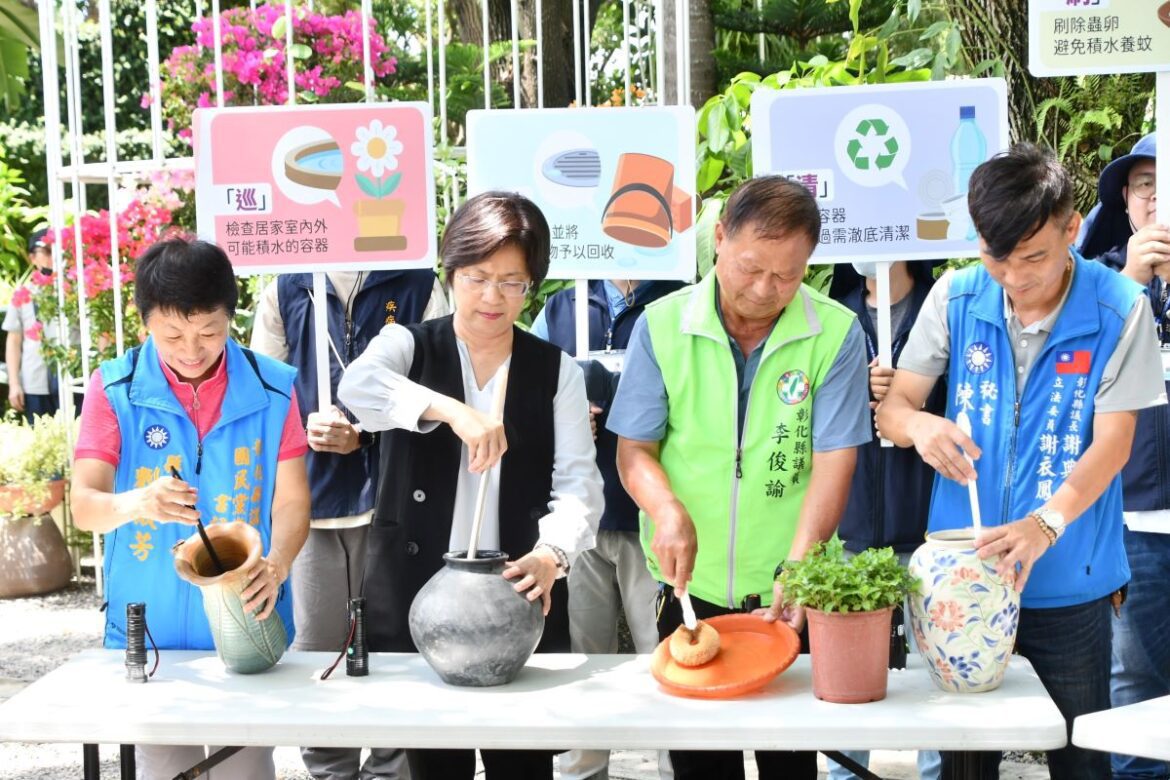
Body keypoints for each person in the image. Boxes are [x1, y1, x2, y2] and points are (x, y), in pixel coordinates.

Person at [876, 144, 1166, 780]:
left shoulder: (1119, 307)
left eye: (1033, 257)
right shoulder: (956, 295)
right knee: (959, 766)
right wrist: (921, 426)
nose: (1012, 276)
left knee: (1078, 761)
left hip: (1068, 581)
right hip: (963, 579)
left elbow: (1114, 443)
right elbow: (895, 408)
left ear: (1072, 229)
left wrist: (1045, 525)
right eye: (994, 256)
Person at [608, 175, 871, 780]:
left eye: (788, 275)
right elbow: (635, 452)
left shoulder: (833, 333)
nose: (765, 289)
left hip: (788, 592)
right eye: (751, 267)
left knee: (790, 762)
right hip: (686, 588)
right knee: (702, 765)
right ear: (719, 238)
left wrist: (801, 564)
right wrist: (668, 514)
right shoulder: (662, 325)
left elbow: (835, 459)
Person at [338, 191, 603, 780]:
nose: (492, 297)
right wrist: (450, 409)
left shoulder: (554, 369)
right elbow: (357, 389)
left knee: (523, 763)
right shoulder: (405, 345)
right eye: (478, 277)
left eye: (513, 282)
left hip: (515, 594)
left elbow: (580, 484)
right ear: (449, 272)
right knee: (435, 763)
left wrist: (551, 554)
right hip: (420, 595)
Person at [70, 238, 311, 780]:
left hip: (246, 625)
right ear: (145, 324)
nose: (192, 350)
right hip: (150, 632)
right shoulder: (116, 388)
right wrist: (140, 501)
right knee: (164, 768)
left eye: (209, 332)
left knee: (245, 770)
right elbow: (84, 506)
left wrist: (277, 565)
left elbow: (294, 502)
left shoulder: (275, 387)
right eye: (172, 335)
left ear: (232, 315)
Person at [252, 265, 448, 780]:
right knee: (316, 648)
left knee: (398, 643)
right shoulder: (286, 286)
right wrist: (301, 427)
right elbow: (263, 390)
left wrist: (364, 432)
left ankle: (392, 768)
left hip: (397, 497)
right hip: (310, 503)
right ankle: (329, 769)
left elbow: (444, 389)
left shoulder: (418, 284)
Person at [532, 277, 683, 780]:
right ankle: (583, 768)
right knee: (585, 654)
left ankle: (675, 765)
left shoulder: (680, 301)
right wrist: (565, 418)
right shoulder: (561, 307)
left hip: (652, 515)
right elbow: (526, 391)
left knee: (662, 652)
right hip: (580, 520)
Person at [825, 259, 944, 780]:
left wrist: (909, 396)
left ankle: (942, 768)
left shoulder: (940, 309)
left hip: (927, 524)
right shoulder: (834, 317)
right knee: (850, 673)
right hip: (852, 526)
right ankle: (847, 773)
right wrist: (857, 385)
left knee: (935, 668)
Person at [1078, 132, 1170, 780]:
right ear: (1128, 201)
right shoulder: (1097, 281)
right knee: (1136, 692)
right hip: (1133, 521)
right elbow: (1071, 376)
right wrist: (1133, 284)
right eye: (1144, 184)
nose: (1156, 194)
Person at [5, 230, 59, 422]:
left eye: (55, 250)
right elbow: (14, 341)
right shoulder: (23, 294)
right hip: (35, 381)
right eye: (45, 251)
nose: (52, 256)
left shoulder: (73, 291)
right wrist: (14, 383)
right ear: (32, 258)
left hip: (70, 381)